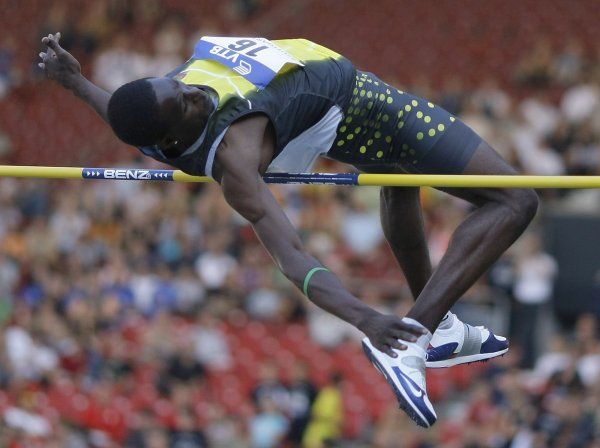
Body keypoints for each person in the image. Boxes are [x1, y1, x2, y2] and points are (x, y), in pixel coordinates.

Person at [39, 32, 538, 427]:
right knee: (515, 201)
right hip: (358, 103)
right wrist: (367, 321)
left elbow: (121, 115)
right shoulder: (235, 159)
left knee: (399, 180)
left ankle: (442, 330)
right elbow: (293, 258)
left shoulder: (155, 123)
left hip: (318, 113)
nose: (192, 88)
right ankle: (416, 336)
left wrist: (76, 82)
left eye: (179, 83)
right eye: (186, 101)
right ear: (177, 130)